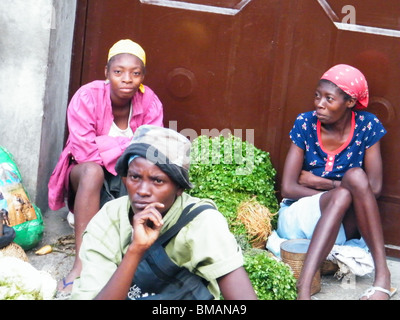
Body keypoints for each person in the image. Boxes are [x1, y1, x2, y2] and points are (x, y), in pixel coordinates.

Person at [70, 125, 257, 300]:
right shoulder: (110, 217)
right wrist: (135, 250)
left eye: (158, 181)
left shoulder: (202, 222)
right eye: (135, 177)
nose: (143, 190)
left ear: (179, 189)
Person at [48, 39, 163, 294]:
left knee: (145, 174)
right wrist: (125, 146)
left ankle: (127, 255)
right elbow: (84, 150)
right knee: (92, 171)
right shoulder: (87, 97)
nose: (126, 79)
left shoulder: (150, 101)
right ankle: (80, 264)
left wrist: (108, 144)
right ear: (106, 73)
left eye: (135, 73)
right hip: (87, 175)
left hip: (126, 175)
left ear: (143, 76)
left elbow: (150, 150)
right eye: (118, 72)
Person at [276, 64, 395, 300]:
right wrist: (337, 190)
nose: (319, 104)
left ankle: (383, 279)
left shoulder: (367, 126)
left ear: (350, 102)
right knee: (347, 188)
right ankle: (305, 286)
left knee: (355, 178)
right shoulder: (305, 123)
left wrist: (321, 182)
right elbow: (288, 188)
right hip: (297, 220)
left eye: (329, 98)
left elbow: (375, 189)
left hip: (339, 226)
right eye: (317, 96)